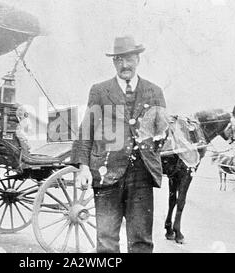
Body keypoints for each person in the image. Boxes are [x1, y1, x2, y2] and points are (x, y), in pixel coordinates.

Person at [71, 35, 167, 253]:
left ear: (138, 59)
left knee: (142, 240)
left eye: (129, 59)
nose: (125, 65)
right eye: (119, 60)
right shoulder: (100, 90)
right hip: (106, 174)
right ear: (114, 62)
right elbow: (86, 131)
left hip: (141, 175)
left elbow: (162, 134)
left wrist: (150, 148)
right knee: (106, 240)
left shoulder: (155, 91)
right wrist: (84, 167)